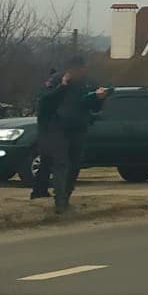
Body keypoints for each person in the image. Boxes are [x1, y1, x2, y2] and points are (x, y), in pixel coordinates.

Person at [35, 56, 109, 213]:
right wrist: (62, 86)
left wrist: (99, 98)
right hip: (57, 127)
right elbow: (45, 100)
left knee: (75, 165)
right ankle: (59, 201)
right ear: (70, 69)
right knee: (61, 163)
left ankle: (66, 197)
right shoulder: (56, 79)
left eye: (82, 69)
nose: (80, 72)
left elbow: (94, 108)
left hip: (79, 128)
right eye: (77, 69)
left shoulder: (89, 83)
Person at [29, 69, 61, 199]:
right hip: (48, 131)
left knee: (46, 164)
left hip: (46, 131)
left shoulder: (45, 92)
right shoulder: (48, 95)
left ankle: (39, 190)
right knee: (47, 163)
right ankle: (39, 191)